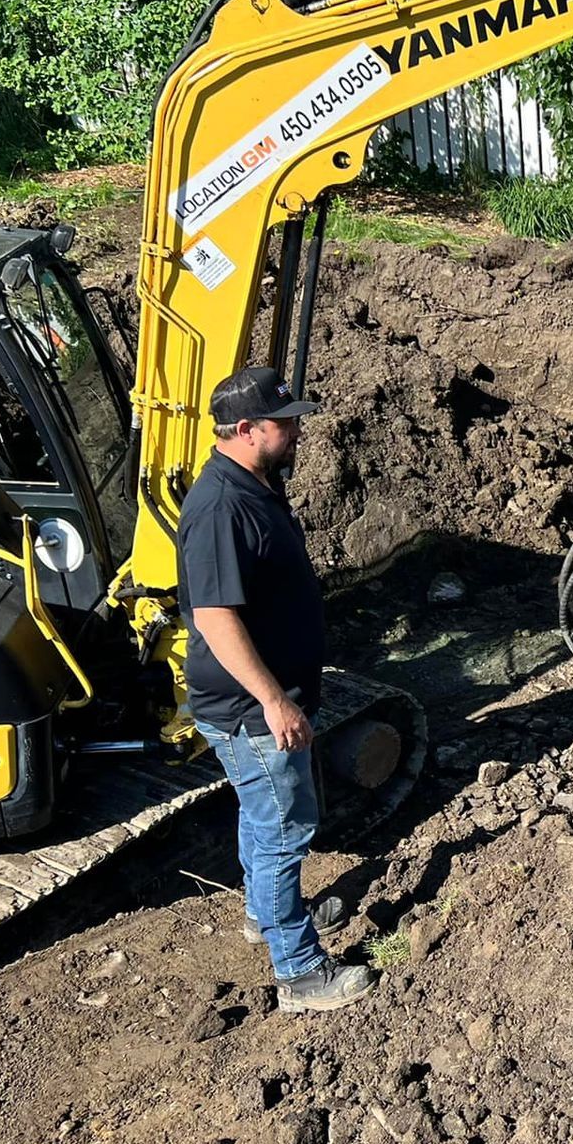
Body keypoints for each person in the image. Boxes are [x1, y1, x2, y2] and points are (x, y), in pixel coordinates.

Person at [177, 365, 375, 1012]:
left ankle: (266, 915)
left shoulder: (253, 482)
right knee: (287, 826)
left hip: (267, 694)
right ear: (244, 429)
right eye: (284, 423)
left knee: (264, 818)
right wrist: (273, 698)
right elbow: (214, 617)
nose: (296, 431)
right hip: (249, 708)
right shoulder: (220, 507)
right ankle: (298, 972)